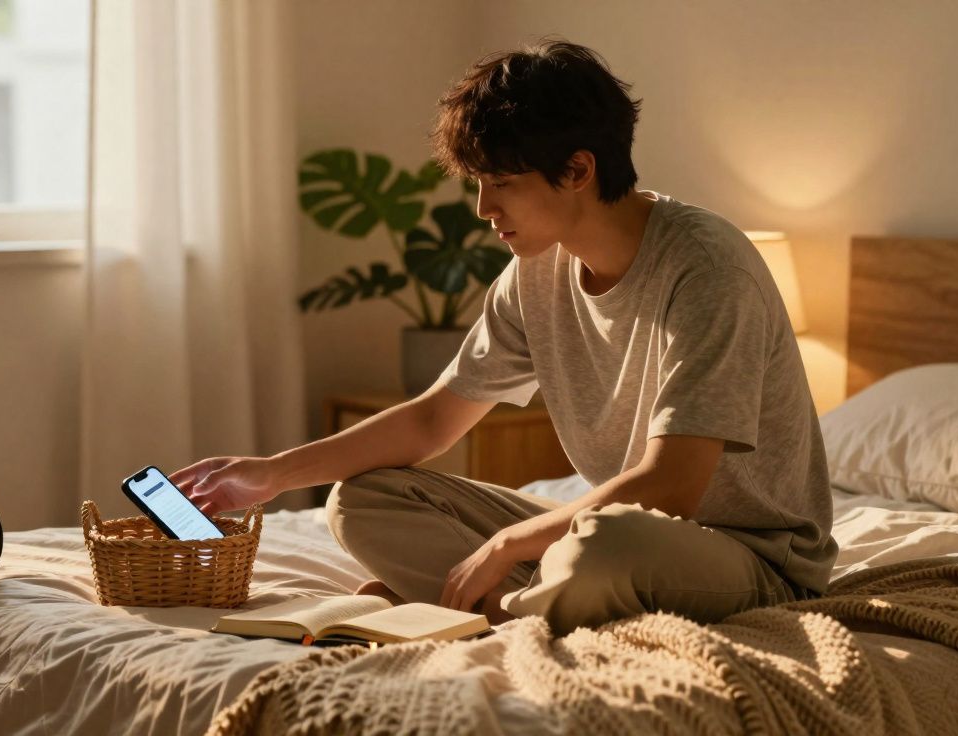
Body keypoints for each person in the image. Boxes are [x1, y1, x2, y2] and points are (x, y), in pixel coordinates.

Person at [171, 38, 837, 636]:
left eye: (501, 185)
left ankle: (489, 607)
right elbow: (435, 418)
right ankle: (522, 603)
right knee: (363, 499)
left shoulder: (707, 268)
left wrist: (504, 547)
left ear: (577, 170)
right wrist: (271, 475)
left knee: (606, 546)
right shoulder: (535, 272)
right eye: (480, 185)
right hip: (614, 536)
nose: (486, 210)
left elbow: (670, 487)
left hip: (749, 557)